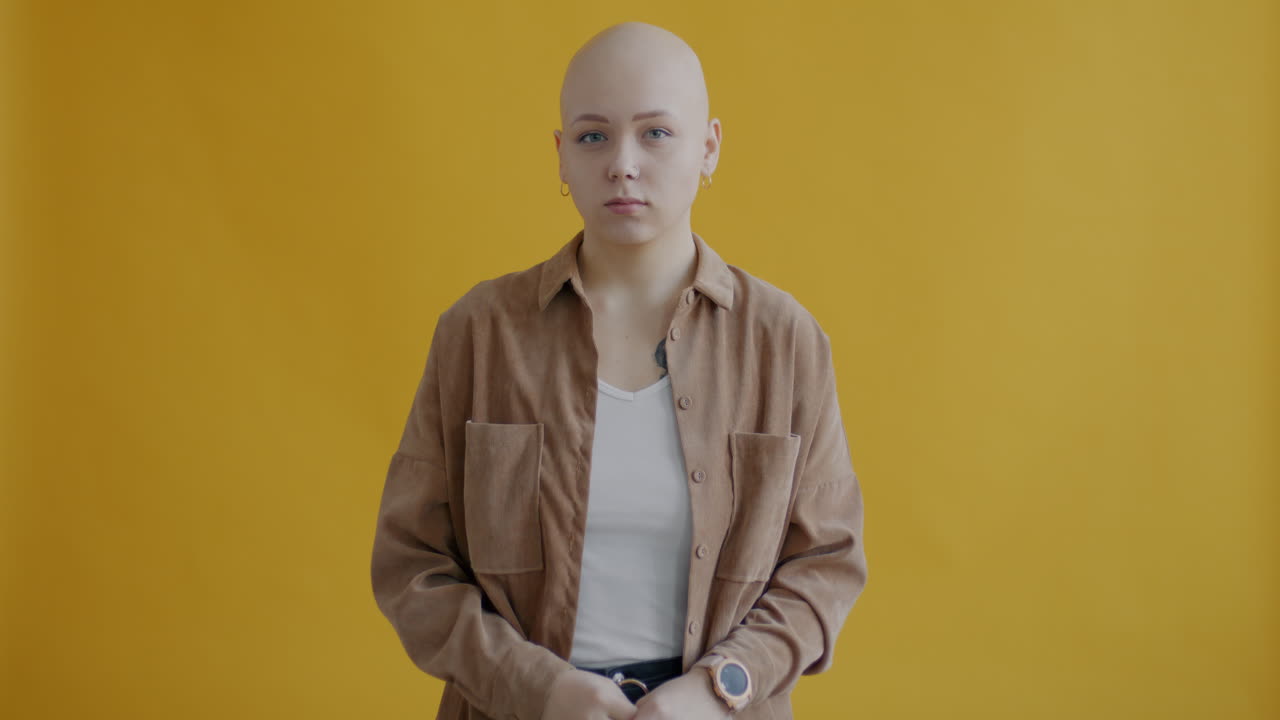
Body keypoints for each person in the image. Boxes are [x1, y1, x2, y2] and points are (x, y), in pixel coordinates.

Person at [370, 21, 867, 720]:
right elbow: (411, 564)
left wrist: (720, 688)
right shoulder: (479, 333)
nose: (622, 164)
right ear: (561, 155)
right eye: (593, 136)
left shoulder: (784, 342)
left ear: (709, 147)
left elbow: (826, 565)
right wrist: (536, 687)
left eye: (656, 133)